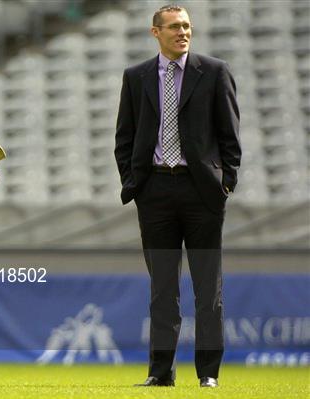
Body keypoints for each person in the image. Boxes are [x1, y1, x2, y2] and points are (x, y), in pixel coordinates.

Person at [115, 5, 241, 388]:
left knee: (208, 288)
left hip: (202, 192)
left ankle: (208, 375)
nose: (182, 32)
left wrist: (226, 183)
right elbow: (124, 137)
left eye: (186, 26)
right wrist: (134, 183)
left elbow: (230, 135)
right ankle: (160, 373)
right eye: (174, 27)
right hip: (154, 192)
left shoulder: (214, 71)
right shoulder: (136, 77)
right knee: (162, 290)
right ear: (156, 32)